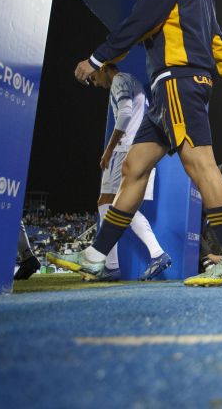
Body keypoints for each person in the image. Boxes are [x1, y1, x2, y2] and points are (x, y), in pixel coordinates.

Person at [47, 0, 222, 287]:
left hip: (179, 81)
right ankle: (96, 257)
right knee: (134, 167)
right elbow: (218, 42)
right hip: (168, 90)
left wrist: (98, 58)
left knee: (202, 166)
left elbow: (142, 18)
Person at [86, 63, 171, 281]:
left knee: (108, 201)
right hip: (140, 147)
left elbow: (124, 114)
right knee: (124, 205)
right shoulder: (134, 82)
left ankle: (110, 265)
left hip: (126, 148)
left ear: (103, 68)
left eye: (94, 78)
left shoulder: (119, 79)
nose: (96, 84)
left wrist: (108, 150)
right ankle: (155, 253)